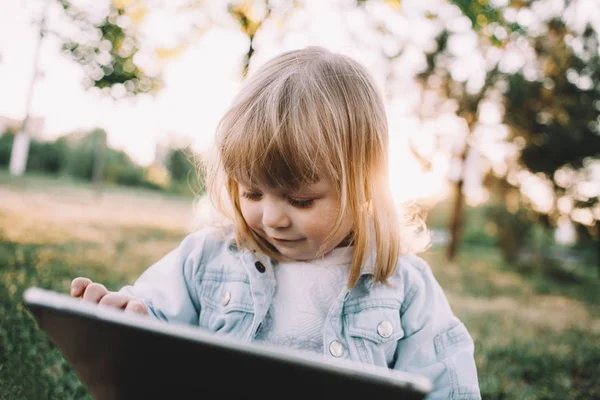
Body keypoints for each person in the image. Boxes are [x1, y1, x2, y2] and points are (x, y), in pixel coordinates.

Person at [70, 46, 480, 399]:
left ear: (362, 188)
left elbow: (448, 383)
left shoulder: (403, 285)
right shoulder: (208, 258)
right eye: (252, 193)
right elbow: (155, 316)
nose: (271, 218)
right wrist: (131, 317)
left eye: (300, 200)